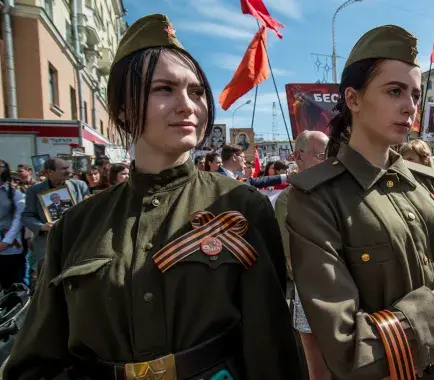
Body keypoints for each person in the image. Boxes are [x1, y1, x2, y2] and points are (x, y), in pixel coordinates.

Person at [4, 14, 302, 380]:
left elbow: (269, 343)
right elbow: (36, 355)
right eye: (164, 89)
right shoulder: (77, 225)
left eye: (196, 91)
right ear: (124, 108)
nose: (187, 105)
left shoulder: (240, 205)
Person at [286, 25, 434, 380]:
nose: (410, 106)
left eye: (415, 94)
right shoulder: (315, 199)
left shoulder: (431, 186)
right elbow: (347, 348)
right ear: (353, 99)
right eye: (394, 91)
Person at [275, 130, 330, 380]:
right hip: (314, 299)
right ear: (298, 157)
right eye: (320, 155)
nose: (328, 160)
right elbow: (292, 262)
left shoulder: (339, 192)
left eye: (330, 153)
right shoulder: (289, 200)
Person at [21, 158, 88, 279]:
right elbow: (27, 216)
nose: (68, 171)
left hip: (75, 242)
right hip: (47, 243)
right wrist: (42, 226)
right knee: (49, 281)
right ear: (50, 172)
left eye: (68, 167)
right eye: (63, 169)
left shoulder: (79, 186)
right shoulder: (34, 190)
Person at [0, 160, 26, 289]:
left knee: (12, 286)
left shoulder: (15, 193)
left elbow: (19, 218)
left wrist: (6, 240)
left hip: (10, 246)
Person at [218, 144, 287, 189]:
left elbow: (260, 181)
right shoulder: (215, 179)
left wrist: (286, 177)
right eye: (243, 157)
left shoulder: (239, 176)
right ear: (234, 157)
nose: (244, 161)